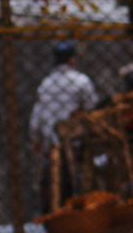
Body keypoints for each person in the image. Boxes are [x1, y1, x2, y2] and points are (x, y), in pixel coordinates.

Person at [28, 42, 98, 212]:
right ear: (72, 60)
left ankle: (55, 210)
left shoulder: (46, 84)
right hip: (76, 141)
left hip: (51, 142)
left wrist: (36, 138)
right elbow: (92, 107)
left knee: (53, 182)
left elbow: (37, 112)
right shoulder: (81, 81)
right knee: (79, 178)